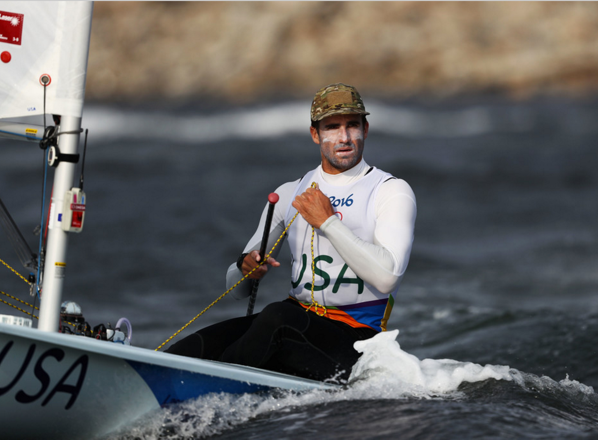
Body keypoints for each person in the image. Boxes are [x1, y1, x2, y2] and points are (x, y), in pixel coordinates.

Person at [166, 83, 417, 382]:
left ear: (365, 128)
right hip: (293, 324)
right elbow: (236, 289)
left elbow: (387, 277)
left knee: (277, 318)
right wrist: (246, 267)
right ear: (315, 134)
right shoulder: (289, 194)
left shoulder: (390, 191)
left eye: (352, 125)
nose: (345, 137)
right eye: (332, 127)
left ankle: (207, 388)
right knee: (195, 347)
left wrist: (327, 222)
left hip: (357, 342)